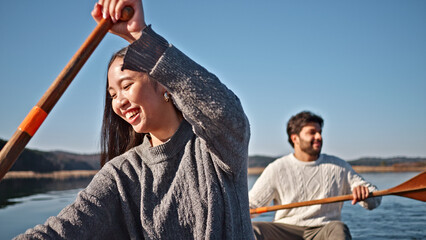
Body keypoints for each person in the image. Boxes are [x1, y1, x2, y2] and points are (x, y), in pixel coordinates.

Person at [15, 0, 254, 239]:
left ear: (162, 83)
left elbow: (224, 112)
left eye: (127, 86)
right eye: (112, 95)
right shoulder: (122, 173)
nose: (119, 102)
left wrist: (140, 37)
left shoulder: (215, 146)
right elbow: (63, 229)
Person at [249, 111, 382, 240]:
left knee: (338, 228)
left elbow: (374, 201)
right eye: (312, 132)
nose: (319, 136)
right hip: (286, 230)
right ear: (294, 138)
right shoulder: (276, 168)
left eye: (320, 132)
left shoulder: (338, 166)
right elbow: (251, 204)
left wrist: (366, 194)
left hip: (324, 230)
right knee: (254, 229)